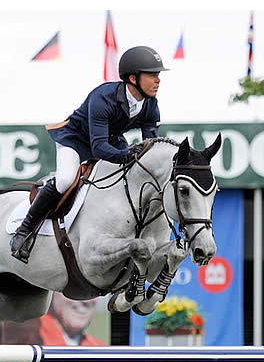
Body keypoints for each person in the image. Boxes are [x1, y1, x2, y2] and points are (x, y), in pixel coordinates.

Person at [10, 45, 169, 263]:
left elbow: (151, 145)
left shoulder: (151, 105)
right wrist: (128, 155)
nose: (158, 80)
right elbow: (98, 149)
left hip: (111, 140)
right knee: (66, 179)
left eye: (158, 75)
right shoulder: (103, 97)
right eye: (152, 75)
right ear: (133, 78)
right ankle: (24, 229)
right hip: (76, 140)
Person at [0, 293, 106, 346]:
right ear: (51, 293)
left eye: (94, 291)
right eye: (73, 291)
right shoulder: (28, 333)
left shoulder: (100, 348)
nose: (85, 300)